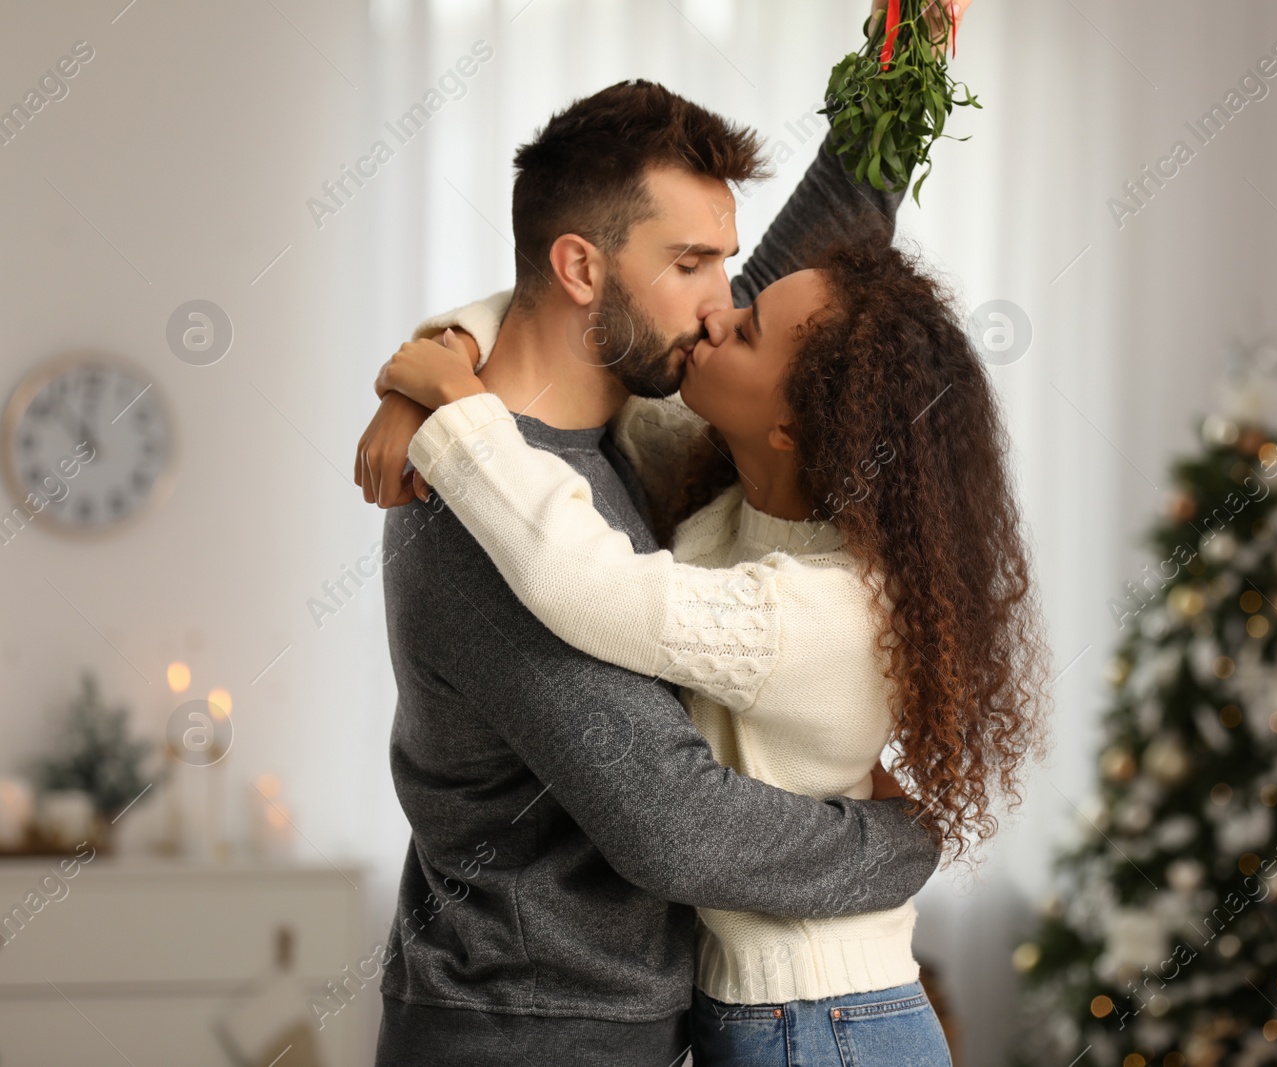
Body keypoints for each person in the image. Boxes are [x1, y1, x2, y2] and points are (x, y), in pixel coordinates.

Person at [353, 75, 948, 1067]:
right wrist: (902, 842)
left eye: (724, 258)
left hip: (601, 1023)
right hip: (528, 1034)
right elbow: (674, 823)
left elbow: (803, 319)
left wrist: (900, 78)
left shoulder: (628, 431)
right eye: (691, 262)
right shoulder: (486, 499)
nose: (724, 305)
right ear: (580, 268)